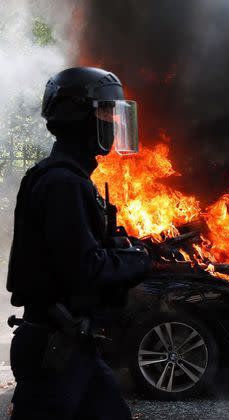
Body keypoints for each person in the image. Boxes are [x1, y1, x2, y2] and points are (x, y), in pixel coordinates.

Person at [6, 67, 151, 419]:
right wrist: (141, 260)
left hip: (72, 345)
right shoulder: (63, 184)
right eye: (105, 113)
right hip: (54, 349)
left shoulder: (64, 178)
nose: (114, 124)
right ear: (79, 118)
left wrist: (118, 246)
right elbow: (86, 269)